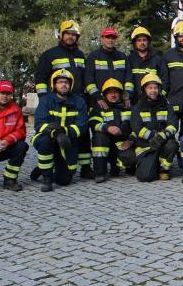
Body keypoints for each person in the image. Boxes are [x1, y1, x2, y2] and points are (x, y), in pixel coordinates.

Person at [34, 20, 91, 178]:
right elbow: (40, 78)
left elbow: (84, 78)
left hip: (78, 101)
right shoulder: (50, 54)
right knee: (53, 134)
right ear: (61, 34)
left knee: (83, 134)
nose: (71, 37)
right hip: (55, 102)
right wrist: (45, 98)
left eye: (74, 35)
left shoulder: (80, 55)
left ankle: (86, 167)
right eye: (68, 34)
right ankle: (46, 165)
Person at [33, 69, 89, 191]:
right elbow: (40, 125)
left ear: (71, 84)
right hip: (47, 138)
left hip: (68, 141)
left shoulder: (79, 102)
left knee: (64, 180)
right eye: (60, 82)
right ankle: (46, 177)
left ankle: (42, 166)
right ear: (54, 84)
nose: (63, 85)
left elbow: (82, 126)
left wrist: (64, 132)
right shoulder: (46, 101)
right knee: (45, 142)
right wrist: (56, 134)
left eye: (66, 82)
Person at [130, 74, 179, 182]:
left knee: (173, 144)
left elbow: (173, 125)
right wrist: (153, 137)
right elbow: (137, 128)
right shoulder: (138, 107)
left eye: (156, 88)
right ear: (144, 90)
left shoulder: (166, 105)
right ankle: (151, 164)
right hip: (146, 146)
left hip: (163, 143)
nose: (153, 91)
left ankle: (164, 169)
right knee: (145, 177)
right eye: (150, 88)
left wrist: (161, 137)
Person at [89, 78, 135, 183]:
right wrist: (107, 128)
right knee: (98, 137)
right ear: (104, 94)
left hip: (125, 143)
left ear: (121, 94)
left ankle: (123, 166)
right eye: (109, 92)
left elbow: (137, 127)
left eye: (116, 92)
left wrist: (131, 140)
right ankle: (100, 173)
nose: (113, 95)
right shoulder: (99, 108)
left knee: (131, 157)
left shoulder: (129, 108)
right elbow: (93, 123)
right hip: (107, 143)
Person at [85, 27, 133, 110]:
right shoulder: (93, 57)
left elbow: (129, 79)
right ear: (102, 39)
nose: (110, 40)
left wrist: (127, 96)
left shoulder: (122, 57)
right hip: (99, 103)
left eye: (113, 38)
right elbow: (89, 81)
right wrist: (98, 97)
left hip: (120, 102)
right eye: (107, 37)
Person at [128, 27, 162, 105]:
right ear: (134, 43)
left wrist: (160, 96)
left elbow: (164, 79)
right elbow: (127, 80)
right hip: (134, 102)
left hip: (153, 102)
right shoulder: (129, 60)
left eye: (144, 40)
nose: (142, 43)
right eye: (139, 40)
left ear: (148, 42)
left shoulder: (157, 59)